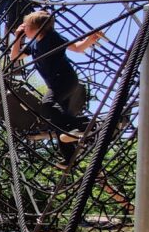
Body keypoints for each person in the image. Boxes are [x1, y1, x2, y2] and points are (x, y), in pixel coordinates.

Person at [10, 10, 104, 164]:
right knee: (57, 122)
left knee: (48, 104)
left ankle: (85, 125)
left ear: (37, 27)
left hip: (65, 80)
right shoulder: (33, 44)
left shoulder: (52, 38)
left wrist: (90, 39)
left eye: (26, 26)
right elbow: (14, 57)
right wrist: (17, 38)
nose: (22, 28)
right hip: (55, 83)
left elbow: (77, 48)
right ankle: (70, 158)